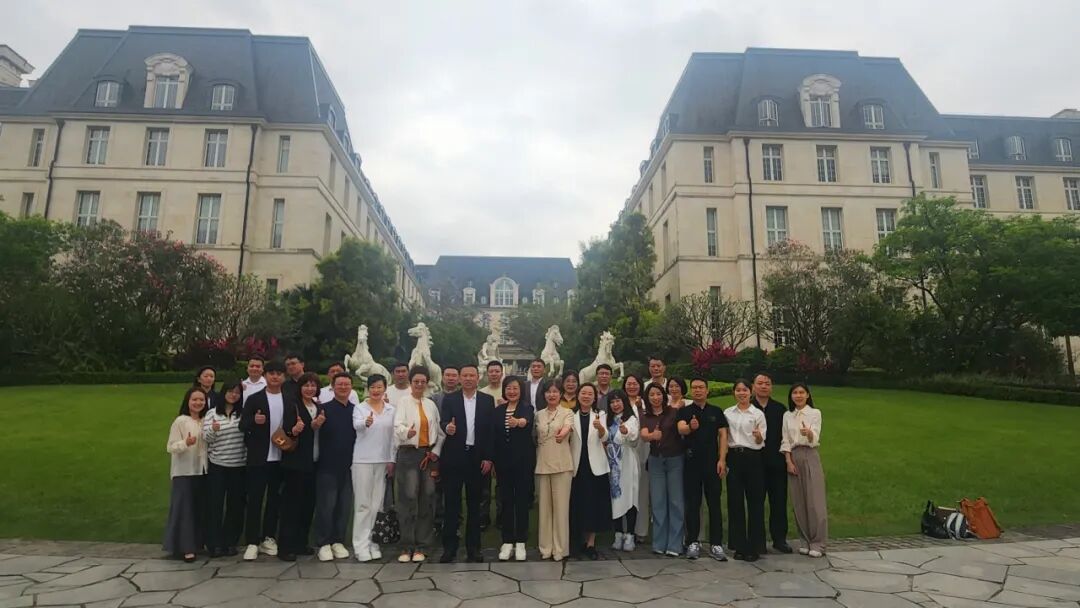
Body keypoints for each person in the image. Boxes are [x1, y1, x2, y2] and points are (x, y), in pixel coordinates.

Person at [438, 364, 497, 563]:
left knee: (475, 505)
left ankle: (474, 548)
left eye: (472, 375)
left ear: (478, 378)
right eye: (465, 375)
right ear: (460, 379)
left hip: (477, 458)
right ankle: (449, 548)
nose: (469, 379)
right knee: (452, 505)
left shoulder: (487, 401)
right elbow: (443, 421)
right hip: (454, 457)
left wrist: (489, 457)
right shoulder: (450, 399)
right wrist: (448, 427)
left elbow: (490, 432)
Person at [393, 366, 444, 564]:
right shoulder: (404, 402)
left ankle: (423, 545)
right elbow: (397, 426)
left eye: (423, 382)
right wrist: (407, 432)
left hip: (427, 455)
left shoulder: (430, 404)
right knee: (408, 498)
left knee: (427, 499)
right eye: (416, 381)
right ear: (411, 382)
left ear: (427, 383)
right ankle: (406, 545)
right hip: (408, 454)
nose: (420, 385)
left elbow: (439, 431)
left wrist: (435, 451)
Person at [240, 360, 288, 561]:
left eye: (279, 373)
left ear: (284, 377)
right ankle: (252, 541)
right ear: (265, 375)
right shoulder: (255, 399)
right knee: (255, 500)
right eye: (271, 373)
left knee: (274, 500)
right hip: (259, 458)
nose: (275, 377)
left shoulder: (289, 398)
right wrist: (254, 421)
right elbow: (242, 425)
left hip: (281, 458)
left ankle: (269, 537)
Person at [677, 378, 729, 561]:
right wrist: (690, 428)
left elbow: (723, 436)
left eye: (701, 388)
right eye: (694, 388)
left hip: (712, 463)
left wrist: (722, 459)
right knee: (693, 503)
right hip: (691, 463)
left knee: (714, 503)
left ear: (707, 391)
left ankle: (716, 543)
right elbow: (681, 429)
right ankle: (692, 541)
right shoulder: (685, 411)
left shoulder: (716, 411)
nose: (697, 390)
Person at [352, 374, 396, 562]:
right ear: (368, 389)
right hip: (363, 460)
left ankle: (373, 542)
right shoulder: (360, 408)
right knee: (363, 504)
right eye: (373, 387)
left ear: (385, 388)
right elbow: (357, 425)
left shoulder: (391, 410)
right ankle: (360, 545)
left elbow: (393, 438)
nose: (376, 390)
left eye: (379, 387)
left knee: (377, 505)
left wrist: (391, 460)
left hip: (383, 460)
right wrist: (366, 423)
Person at [314, 372, 357, 562]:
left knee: (344, 505)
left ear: (351, 387)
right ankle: (323, 542)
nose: (343, 387)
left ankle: (338, 540)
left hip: (350, 466)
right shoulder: (323, 409)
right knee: (327, 505)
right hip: (327, 465)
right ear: (333, 387)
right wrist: (316, 424)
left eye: (347, 384)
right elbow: (313, 431)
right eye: (340, 384)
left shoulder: (356, 410)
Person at [277, 373, 320, 561]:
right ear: (300, 388)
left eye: (313, 385)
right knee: (291, 506)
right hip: (295, 463)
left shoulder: (318, 407)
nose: (310, 389)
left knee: (307, 505)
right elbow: (286, 430)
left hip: (314, 462)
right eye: (306, 385)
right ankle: (286, 547)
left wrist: (316, 426)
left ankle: (301, 543)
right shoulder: (292, 406)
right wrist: (294, 431)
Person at [164, 387, 210, 562]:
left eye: (201, 400)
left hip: (202, 470)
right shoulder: (181, 421)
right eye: (194, 400)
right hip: (184, 471)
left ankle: (198, 543)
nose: (198, 403)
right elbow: (171, 447)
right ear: (188, 401)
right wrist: (185, 442)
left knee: (199, 509)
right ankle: (186, 547)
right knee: (184, 510)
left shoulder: (206, 421)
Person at [781, 383, 827, 558]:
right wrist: (788, 461)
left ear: (807, 395)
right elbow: (785, 439)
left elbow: (815, 436)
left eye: (802, 392)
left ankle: (818, 542)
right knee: (798, 500)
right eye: (795, 393)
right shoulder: (788, 415)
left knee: (814, 500)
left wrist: (808, 433)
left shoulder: (815, 413)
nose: (798, 396)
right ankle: (805, 540)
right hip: (793, 456)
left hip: (809, 454)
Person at [724, 379, 767, 562]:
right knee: (735, 502)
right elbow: (723, 437)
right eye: (738, 390)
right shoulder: (728, 413)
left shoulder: (757, 414)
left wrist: (758, 436)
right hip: (734, 457)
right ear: (734, 392)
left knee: (755, 502)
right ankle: (738, 545)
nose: (741, 393)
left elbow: (761, 441)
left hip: (753, 458)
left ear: (750, 392)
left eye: (745, 390)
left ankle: (754, 546)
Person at [202, 379, 246, 557]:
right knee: (215, 505)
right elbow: (206, 438)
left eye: (237, 392)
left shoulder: (243, 413)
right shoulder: (212, 413)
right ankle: (214, 543)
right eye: (230, 391)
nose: (233, 395)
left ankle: (230, 541)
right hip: (218, 465)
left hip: (239, 465)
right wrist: (213, 429)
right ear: (224, 392)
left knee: (235, 506)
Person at [639, 383, 684, 557]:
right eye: (652, 395)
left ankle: (675, 544)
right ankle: (659, 543)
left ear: (663, 396)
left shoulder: (673, 412)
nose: (655, 397)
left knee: (676, 502)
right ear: (647, 398)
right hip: (655, 460)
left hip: (675, 459)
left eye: (658, 394)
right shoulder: (646, 416)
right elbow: (644, 434)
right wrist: (652, 436)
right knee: (658, 502)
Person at [751, 372, 793, 554]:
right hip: (754, 463)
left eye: (767, 383)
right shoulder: (748, 408)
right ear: (753, 386)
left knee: (779, 502)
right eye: (760, 383)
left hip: (776, 463)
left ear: (771, 387)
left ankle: (779, 539)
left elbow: (786, 436)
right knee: (756, 503)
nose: (763, 386)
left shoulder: (780, 409)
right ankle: (758, 541)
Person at [493, 376, 534, 561]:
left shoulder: (527, 408)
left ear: (521, 390)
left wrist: (519, 422)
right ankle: (507, 541)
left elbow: (526, 421)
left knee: (522, 502)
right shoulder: (498, 411)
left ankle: (521, 541)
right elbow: (494, 436)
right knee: (506, 501)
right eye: (508, 388)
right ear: (504, 390)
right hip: (503, 463)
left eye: (515, 388)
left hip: (523, 463)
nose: (512, 391)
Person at [569, 383, 611, 559]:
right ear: (578, 395)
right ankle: (578, 542)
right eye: (583, 393)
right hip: (576, 466)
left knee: (594, 505)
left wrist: (600, 428)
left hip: (595, 467)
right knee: (578, 504)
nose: (586, 396)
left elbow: (605, 436)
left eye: (590, 394)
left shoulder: (600, 414)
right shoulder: (570, 415)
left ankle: (591, 543)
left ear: (595, 398)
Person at [534, 378, 574, 561]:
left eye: (555, 392)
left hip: (562, 465)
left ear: (560, 394)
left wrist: (563, 433)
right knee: (544, 509)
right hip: (543, 464)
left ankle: (560, 548)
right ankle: (545, 547)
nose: (552, 395)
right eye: (548, 392)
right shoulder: (538, 415)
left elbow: (567, 428)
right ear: (544, 394)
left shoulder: (568, 412)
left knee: (561, 509)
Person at [605, 390, 640, 552]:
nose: (615, 405)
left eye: (618, 401)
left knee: (630, 497)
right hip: (612, 465)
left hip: (627, 462)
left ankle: (630, 534)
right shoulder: (607, 419)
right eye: (612, 402)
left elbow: (634, 440)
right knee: (615, 498)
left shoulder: (631, 419)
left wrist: (626, 432)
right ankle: (618, 533)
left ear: (624, 402)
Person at [430, 365, 459, 535]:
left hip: (457, 447)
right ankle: (437, 521)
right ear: (442, 377)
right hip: (437, 447)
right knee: (437, 487)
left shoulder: (463, 398)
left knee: (455, 488)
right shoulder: (434, 399)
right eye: (448, 375)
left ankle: (455, 522)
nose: (451, 378)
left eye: (454, 375)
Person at [624, 374, 651, 544]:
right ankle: (624, 529)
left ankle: (641, 529)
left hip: (644, 449)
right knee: (626, 491)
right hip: (625, 451)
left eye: (635, 383)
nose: (632, 386)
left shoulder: (646, 403)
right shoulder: (620, 403)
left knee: (642, 491)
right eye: (629, 384)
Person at [478, 360, 505, 530]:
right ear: (487, 374)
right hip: (485, 442)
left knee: (502, 485)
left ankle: (502, 517)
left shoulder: (508, 391)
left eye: (497, 371)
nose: (494, 374)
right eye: (491, 371)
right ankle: (483, 517)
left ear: (502, 373)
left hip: (503, 443)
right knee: (484, 485)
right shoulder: (482, 393)